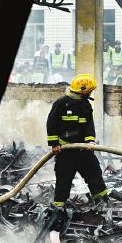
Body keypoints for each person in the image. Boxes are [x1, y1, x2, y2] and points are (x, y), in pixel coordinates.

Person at [46, 73, 108, 213]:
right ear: (83, 91)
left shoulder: (85, 104)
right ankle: (59, 210)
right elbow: (51, 124)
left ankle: (103, 205)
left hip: (83, 150)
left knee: (95, 175)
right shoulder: (61, 103)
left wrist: (90, 140)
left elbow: (88, 125)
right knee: (64, 180)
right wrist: (54, 144)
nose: (90, 93)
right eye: (89, 91)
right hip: (66, 151)